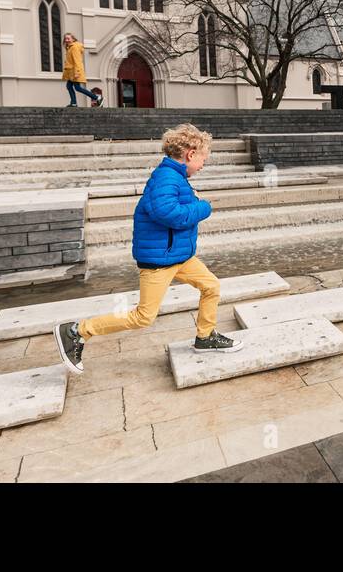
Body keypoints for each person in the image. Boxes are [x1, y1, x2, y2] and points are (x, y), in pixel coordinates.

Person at [54, 123, 241, 374]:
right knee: (143, 317)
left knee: (211, 286)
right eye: (203, 159)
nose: (204, 165)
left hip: (179, 257)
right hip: (160, 261)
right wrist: (203, 206)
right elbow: (169, 214)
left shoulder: (175, 177)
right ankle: (77, 331)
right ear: (190, 154)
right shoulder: (166, 178)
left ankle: (205, 336)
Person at [62, 33, 102, 107]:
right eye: (65, 39)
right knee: (69, 86)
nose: (66, 40)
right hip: (71, 72)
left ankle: (97, 97)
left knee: (78, 88)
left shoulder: (74, 47)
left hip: (74, 72)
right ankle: (73, 103)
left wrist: (77, 72)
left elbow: (77, 61)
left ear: (73, 39)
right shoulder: (70, 47)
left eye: (68, 38)